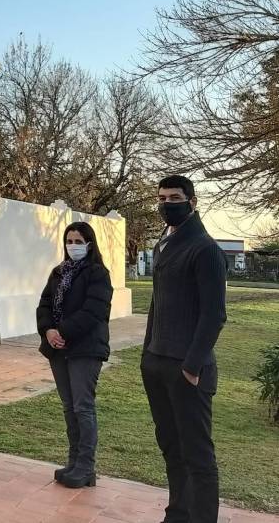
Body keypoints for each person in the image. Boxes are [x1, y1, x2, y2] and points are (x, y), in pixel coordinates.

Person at [141, 176, 227, 523]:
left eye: (174, 197)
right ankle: (178, 514)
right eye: (161, 198)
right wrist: (147, 356)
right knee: (171, 449)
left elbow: (214, 315)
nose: (166, 204)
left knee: (197, 456)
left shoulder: (205, 249)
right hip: (157, 362)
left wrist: (192, 367)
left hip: (187, 370)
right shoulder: (164, 244)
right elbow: (157, 306)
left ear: (192, 202)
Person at [36, 221, 113, 488]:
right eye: (69, 241)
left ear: (89, 244)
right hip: (58, 349)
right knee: (69, 407)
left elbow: (94, 311)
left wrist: (63, 332)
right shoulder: (58, 272)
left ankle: (86, 466)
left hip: (85, 348)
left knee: (83, 406)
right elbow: (45, 304)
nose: (73, 246)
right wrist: (48, 331)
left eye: (79, 241)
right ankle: (73, 462)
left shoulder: (98, 274)